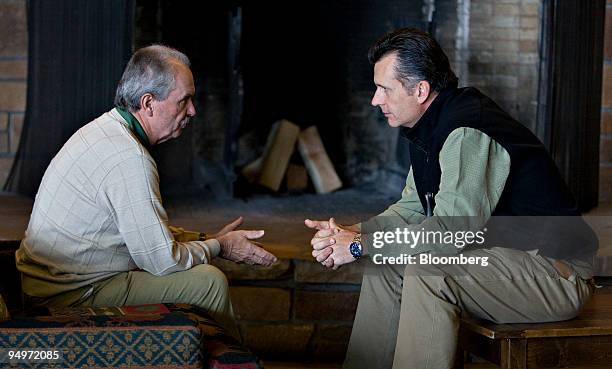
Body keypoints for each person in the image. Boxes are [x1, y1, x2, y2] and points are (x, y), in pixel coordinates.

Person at [305, 28, 597, 369]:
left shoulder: (465, 129)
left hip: (553, 274)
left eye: (384, 89)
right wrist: (350, 233)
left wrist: (360, 246)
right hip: (498, 263)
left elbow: (449, 235)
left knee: (429, 272)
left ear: (420, 90)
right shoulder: (430, 126)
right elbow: (411, 209)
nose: (375, 99)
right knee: (385, 265)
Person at [16, 45, 277, 338]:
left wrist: (208, 239)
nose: (193, 110)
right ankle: (229, 361)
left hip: (54, 281)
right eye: (184, 100)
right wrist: (221, 247)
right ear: (149, 103)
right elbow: (162, 260)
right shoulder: (129, 159)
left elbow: (145, 233)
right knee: (209, 282)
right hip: (68, 295)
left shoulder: (106, 130)